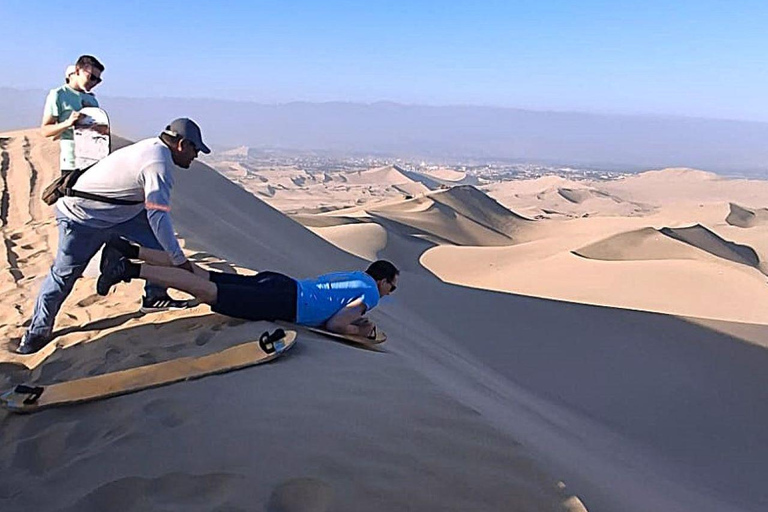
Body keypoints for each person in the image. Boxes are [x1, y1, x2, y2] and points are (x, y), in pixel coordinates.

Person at [16, 119, 211, 355]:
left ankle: (155, 296)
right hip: (83, 217)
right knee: (65, 274)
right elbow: (158, 216)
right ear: (181, 144)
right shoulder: (157, 164)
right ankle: (38, 331)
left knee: (158, 247)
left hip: (123, 214)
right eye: (195, 149)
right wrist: (179, 261)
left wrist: (170, 254)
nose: (196, 156)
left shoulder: (155, 149)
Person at [97, 239, 399, 337]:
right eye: (391, 287)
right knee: (206, 291)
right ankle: (128, 268)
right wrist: (362, 331)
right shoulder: (371, 292)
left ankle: (128, 249)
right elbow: (335, 322)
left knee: (202, 273)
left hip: (282, 284)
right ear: (382, 280)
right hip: (285, 303)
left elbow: (333, 304)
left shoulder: (356, 275)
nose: (388, 293)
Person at [41, 55, 104, 174]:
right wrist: (67, 123)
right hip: (71, 163)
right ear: (77, 71)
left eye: (98, 80)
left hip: (94, 163)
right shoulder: (58, 94)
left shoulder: (92, 99)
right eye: (91, 77)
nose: (94, 82)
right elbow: (45, 130)